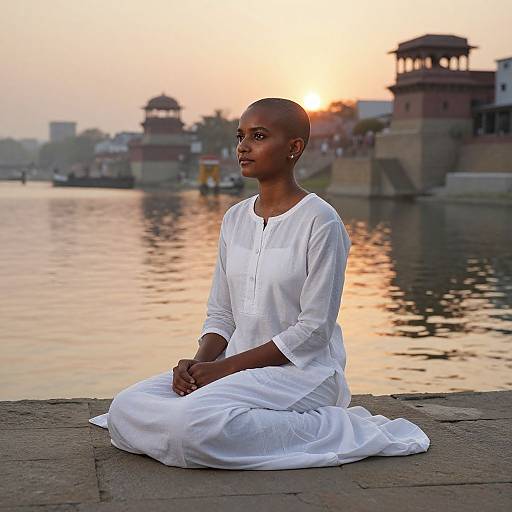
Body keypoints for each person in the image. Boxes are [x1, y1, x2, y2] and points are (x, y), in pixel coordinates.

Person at [89, 98, 430, 470]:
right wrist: (197, 365)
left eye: (259, 136)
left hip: (303, 374)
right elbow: (221, 313)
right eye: (241, 136)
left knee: (192, 427)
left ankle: (329, 425)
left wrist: (224, 369)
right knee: (124, 409)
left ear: (293, 148)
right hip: (233, 365)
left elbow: (314, 331)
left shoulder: (321, 222)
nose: (243, 147)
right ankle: (221, 419)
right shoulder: (235, 218)